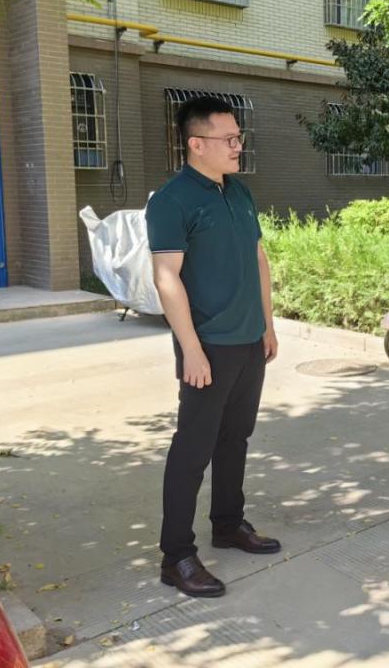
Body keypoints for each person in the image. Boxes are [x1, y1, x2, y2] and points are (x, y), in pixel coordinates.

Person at [146, 96, 280, 598]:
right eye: (228, 139)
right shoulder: (172, 201)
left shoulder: (239, 192)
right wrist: (192, 349)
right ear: (196, 144)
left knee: (235, 439)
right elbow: (166, 278)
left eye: (239, 137)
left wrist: (267, 324)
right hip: (208, 347)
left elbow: (258, 259)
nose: (237, 146)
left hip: (248, 341)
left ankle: (227, 524)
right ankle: (176, 555)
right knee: (192, 450)